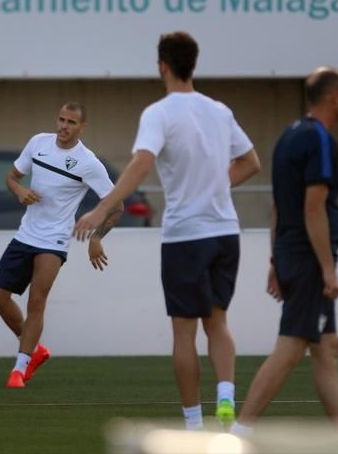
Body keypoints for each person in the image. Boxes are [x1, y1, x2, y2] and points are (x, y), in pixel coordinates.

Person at [73, 31, 261, 430]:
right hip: (226, 233)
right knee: (218, 322)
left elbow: (142, 163)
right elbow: (251, 163)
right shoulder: (220, 111)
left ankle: (193, 424)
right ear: (194, 64)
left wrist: (101, 207)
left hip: (185, 236)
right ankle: (225, 396)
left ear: (162, 66)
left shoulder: (158, 113)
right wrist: (215, 186)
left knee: (183, 332)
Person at [228, 67, 338, 438]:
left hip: (291, 254)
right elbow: (312, 208)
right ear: (334, 97)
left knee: (327, 345)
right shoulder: (319, 139)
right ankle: (239, 432)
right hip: (308, 260)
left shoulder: (289, 135)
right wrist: (328, 269)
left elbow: (277, 207)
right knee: (293, 344)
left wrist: (274, 260)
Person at [0, 102, 123, 389]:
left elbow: (116, 205)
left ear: (82, 127)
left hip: (55, 239)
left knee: (37, 300)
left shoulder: (88, 162)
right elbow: (12, 177)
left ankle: (19, 368)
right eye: (61, 119)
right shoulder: (38, 143)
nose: (63, 126)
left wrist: (96, 238)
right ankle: (35, 349)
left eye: (71, 122)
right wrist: (20, 190)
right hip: (26, 234)